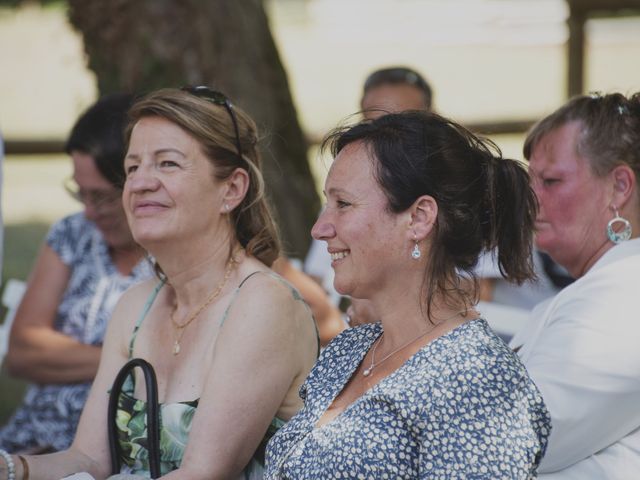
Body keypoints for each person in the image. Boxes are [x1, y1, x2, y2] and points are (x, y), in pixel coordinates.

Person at [0, 86, 319, 479]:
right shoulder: (136, 306)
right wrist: (12, 467)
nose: (141, 183)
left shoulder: (262, 303)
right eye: (132, 168)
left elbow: (202, 473)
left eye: (167, 164)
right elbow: (88, 460)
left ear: (232, 190)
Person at [265, 111, 550, 478]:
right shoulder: (350, 350)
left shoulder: (474, 381)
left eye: (343, 204)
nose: (320, 228)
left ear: (418, 218)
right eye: (327, 204)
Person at [0, 94, 152, 454]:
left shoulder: (175, 252)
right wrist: (128, 361)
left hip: (113, 454)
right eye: (79, 193)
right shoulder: (72, 234)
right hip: (28, 438)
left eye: (100, 197)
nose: (87, 211)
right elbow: (21, 352)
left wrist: (63, 356)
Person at [510, 91, 640, 478]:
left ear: (619, 187)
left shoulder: (623, 295)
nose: (531, 198)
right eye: (530, 179)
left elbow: (513, 437)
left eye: (550, 180)